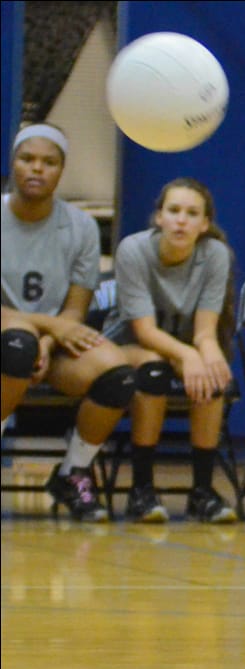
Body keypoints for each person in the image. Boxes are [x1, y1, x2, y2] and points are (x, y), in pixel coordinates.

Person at [1, 123, 136, 521]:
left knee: (118, 374)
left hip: (51, 345)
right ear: (13, 163)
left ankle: (72, 473)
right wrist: (44, 329)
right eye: (27, 159)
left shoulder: (81, 227)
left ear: (62, 170)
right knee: (18, 344)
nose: (36, 168)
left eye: (49, 162)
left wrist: (47, 340)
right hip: (10, 340)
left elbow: (75, 311)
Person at [101, 177, 237, 524]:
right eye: (174, 211)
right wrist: (189, 355)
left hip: (183, 345)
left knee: (212, 375)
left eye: (192, 213)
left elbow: (204, 331)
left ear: (204, 224)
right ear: (159, 217)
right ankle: (141, 489)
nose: (181, 220)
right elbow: (144, 331)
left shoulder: (215, 254)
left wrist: (210, 353)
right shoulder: (134, 249)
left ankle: (202, 491)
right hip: (129, 346)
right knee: (154, 371)